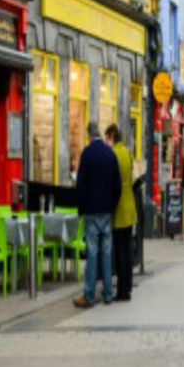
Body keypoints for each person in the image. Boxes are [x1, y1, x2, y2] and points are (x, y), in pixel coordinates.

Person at [72, 122, 121, 309]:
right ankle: (108, 293)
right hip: (106, 211)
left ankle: (89, 295)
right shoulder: (110, 154)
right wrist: (111, 205)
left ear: (88, 135)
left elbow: (81, 185)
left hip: (91, 212)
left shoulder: (87, 154)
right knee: (106, 252)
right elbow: (117, 185)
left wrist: (81, 209)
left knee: (92, 253)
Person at [106, 124, 136, 302]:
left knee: (119, 251)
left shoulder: (113, 154)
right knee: (128, 250)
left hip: (118, 207)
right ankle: (128, 287)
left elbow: (112, 181)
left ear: (111, 137)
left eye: (107, 139)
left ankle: (121, 291)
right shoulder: (127, 152)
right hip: (130, 204)